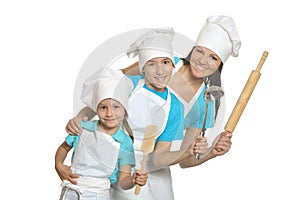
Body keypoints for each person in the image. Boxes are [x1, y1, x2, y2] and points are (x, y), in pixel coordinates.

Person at [62, 28, 207, 200]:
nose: (160, 71)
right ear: (142, 68)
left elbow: (160, 157)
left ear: (173, 65)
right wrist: (78, 119)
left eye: (166, 62)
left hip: (147, 163)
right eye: (152, 64)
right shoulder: (127, 84)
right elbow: (97, 105)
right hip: (116, 159)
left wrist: (187, 151)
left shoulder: (174, 106)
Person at [122, 15, 241, 169]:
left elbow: (185, 160)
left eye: (213, 57)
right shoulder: (164, 62)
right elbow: (111, 82)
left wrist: (212, 151)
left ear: (219, 65)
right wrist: (82, 119)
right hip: (116, 147)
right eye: (200, 51)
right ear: (192, 50)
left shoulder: (205, 103)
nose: (203, 61)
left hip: (154, 167)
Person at [55, 75, 148, 200]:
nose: (109, 113)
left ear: (125, 110)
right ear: (96, 109)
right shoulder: (82, 128)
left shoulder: (125, 142)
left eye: (116, 107)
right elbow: (64, 148)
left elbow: (124, 181)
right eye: (103, 107)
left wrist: (133, 180)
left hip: (98, 195)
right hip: (71, 191)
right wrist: (58, 164)